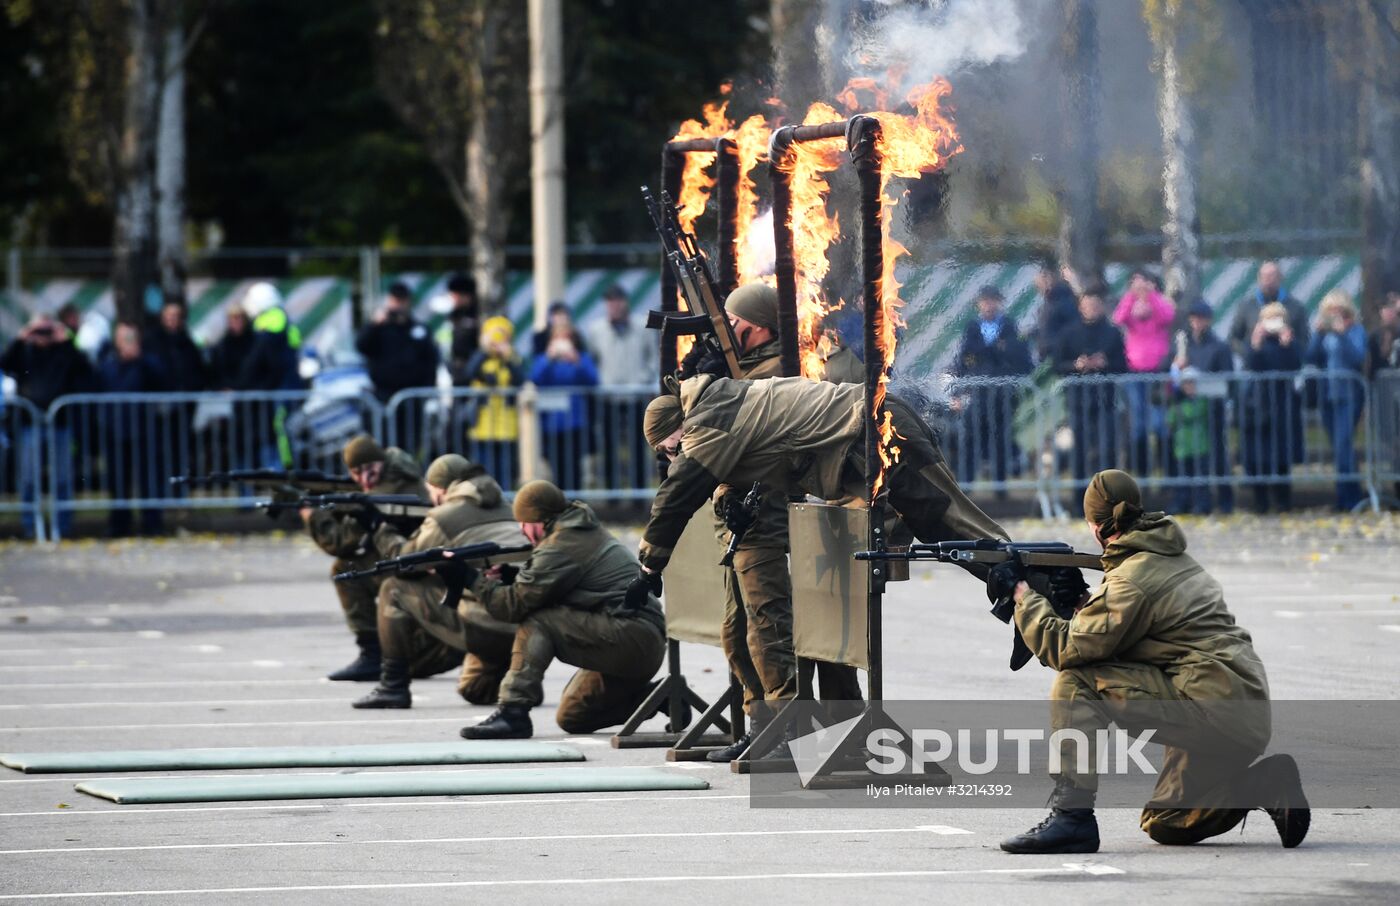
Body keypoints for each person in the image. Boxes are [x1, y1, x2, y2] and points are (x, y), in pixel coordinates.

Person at [1000, 470, 1308, 854]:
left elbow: (1069, 650)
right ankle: (1265, 782)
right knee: (1167, 821)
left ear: (1096, 527)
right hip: (1237, 708)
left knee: (1076, 682)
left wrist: (1022, 595)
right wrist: (1081, 602)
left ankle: (1071, 817)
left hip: (1210, 706)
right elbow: (1131, 633)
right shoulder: (1165, 557)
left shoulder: (1132, 579)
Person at [679, 284, 865, 762]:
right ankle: (764, 725)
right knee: (742, 632)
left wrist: (717, 390)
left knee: (802, 632)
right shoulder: (746, 371)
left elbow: (768, 411)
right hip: (748, 520)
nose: (729, 332)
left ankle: (817, 731)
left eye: (735, 324)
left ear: (758, 326)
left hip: (789, 517)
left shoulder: (785, 368)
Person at [634, 373, 1007, 589]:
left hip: (878, 433)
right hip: (863, 443)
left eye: (673, 448)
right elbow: (754, 454)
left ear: (681, 426)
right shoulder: (717, 408)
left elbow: (678, 492)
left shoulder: (708, 421)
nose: (675, 458)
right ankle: (1029, 604)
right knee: (950, 534)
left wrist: (650, 567)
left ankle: (1042, 593)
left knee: (956, 528)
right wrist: (729, 496)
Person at [459, 480, 669, 738]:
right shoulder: (575, 529)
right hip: (637, 639)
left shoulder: (563, 543)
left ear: (536, 520)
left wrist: (470, 579)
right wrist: (507, 576)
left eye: (523, 524)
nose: (523, 532)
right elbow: (548, 585)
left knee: (539, 622)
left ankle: (513, 712)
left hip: (633, 638)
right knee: (573, 717)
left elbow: (513, 607)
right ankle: (659, 698)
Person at [351, 454, 528, 710]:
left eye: (432, 492)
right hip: (524, 630)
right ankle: (520, 686)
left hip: (485, 625)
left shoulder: (445, 516)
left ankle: (392, 685)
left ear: (442, 489)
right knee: (475, 690)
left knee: (393, 589)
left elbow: (404, 562)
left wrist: (381, 529)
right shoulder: (513, 509)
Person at [303, 434, 429, 682]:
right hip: (410, 557)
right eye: (356, 473)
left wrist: (311, 514)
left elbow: (338, 541)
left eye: (369, 470)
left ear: (381, 462)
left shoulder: (389, 488)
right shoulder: (399, 472)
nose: (364, 480)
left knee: (345, 571)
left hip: (411, 564)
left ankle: (372, 655)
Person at [0, 313, 96, 538]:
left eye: (46, 330)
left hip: (60, 423)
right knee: (29, 480)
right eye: (39, 330)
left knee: (62, 479)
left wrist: (65, 341)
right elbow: (4, 363)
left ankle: (62, 527)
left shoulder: (63, 351)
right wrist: (23, 336)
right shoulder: (24, 351)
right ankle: (30, 527)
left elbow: (84, 369)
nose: (43, 336)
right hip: (29, 423)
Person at [1052, 285, 1128, 514]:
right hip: (1078, 403)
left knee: (1107, 452)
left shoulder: (1113, 333)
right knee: (1079, 454)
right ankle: (1078, 503)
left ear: (1102, 307)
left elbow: (1123, 366)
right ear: (1080, 306)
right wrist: (1076, 366)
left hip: (1105, 401)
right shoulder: (1068, 332)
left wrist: (1105, 365)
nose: (1091, 309)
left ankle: (1108, 501)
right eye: (1087, 305)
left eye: (1095, 305)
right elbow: (1057, 365)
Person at [951, 284, 1033, 490]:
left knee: (1001, 438)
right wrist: (959, 391)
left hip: (1002, 392)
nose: (988, 305)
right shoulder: (972, 327)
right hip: (978, 391)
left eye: (992, 300)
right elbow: (965, 358)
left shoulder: (1008, 325)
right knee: (971, 437)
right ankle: (965, 485)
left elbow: (1016, 355)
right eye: (985, 301)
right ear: (979, 304)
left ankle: (1000, 487)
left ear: (999, 302)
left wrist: (991, 352)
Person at [96, 323, 169, 536]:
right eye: (123, 337)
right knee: (118, 481)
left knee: (148, 480)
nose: (127, 342)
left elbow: (161, 380)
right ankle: (119, 524)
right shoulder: (107, 361)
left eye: (131, 337)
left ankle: (152, 523)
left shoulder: (148, 361)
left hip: (143, 430)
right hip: (115, 431)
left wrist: (140, 359)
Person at [586, 286, 657, 490]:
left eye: (617, 301)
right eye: (610, 301)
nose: (614, 305)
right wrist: (601, 381)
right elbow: (592, 360)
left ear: (625, 302)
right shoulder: (596, 330)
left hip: (636, 396)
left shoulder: (642, 326)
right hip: (608, 397)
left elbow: (652, 357)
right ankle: (612, 493)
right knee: (608, 447)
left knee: (637, 446)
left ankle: (638, 492)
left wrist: (643, 380)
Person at [356, 281, 439, 452]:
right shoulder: (379, 328)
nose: (398, 305)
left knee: (409, 445)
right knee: (382, 445)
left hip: (412, 397)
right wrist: (374, 324)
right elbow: (361, 346)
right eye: (395, 300)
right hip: (382, 396)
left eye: (401, 300)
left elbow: (431, 361)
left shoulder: (419, 329)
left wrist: (428, 391)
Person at [1305, 290, 1368, 511]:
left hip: (1349, 395)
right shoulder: (1325, 334)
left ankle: (1348, 498)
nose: (1334, 315)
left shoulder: (1356, 331)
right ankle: (1350, 495)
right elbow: (1311, 357)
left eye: (1338, 310)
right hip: (1328, 396)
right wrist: (1316, 334)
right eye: (1329, 311)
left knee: (1343, 445)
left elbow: (1358, 358)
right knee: (1341, 448)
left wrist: (1342, 335)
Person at [1170, 300, 1234, 513]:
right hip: (1186, 412)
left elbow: (1227, 380)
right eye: (1194, 318)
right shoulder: (1181, 347)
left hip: (1211, 411)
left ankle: (1224, 501)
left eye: (1201, 318)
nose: (1197, 322)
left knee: (1216, 458)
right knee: (1188, 459)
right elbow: (1166, 374)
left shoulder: (1219, 347)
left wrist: (1200, 384)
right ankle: (1189, 500)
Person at [1241, 302, 1302, 513]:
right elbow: (1251, 363)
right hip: (1259, 404)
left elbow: (1295, 364)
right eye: (1269, 318)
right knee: (1258, 455)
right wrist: (1255, 343)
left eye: (1277, 318)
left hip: (1283, 404)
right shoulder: (1256, 341)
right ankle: (1260, 501)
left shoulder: (1290, 341)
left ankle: (1283, 501)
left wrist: (1287, 344)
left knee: (1282, 456)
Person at [1113, 270, 1175, 474]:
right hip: (1134, 371)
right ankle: (1142, 472)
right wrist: (1131, 296)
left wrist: (1151, 295)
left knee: (1159, 423)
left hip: (1157, 372)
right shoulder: (1130, 306)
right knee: (1138, 425)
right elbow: (1118, 318)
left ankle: (1166, 470)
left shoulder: (1159, 305)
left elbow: (1168, 316)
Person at [529, 311, 599, 491]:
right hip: (551, 423)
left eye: (566, 337)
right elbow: (535, 378)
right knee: (555, 466)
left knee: (574, 466)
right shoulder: (545, 359)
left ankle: (575, 503)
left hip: (574, 422)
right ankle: (559, 503)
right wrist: (548, 358)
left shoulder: (580, 358)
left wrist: (576, 360)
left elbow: (593, 379)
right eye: (559, 337)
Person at [458, 316, 524, 488]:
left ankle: (505, 501)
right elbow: (469, 372)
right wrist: (483, 351)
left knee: (505, 469)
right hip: (482, 423)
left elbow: (519, 379)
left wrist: (507, 357)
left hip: (506, 424)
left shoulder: (512, 358)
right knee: (482, 468)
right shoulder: (480, 358)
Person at [1228, 261, 1310, 358]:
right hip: (1253, 367)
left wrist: (1289, 342)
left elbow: (1305, 340)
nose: (1267, 279)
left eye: (1272, 275)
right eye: (1264, 276)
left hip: (1287, 367)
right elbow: (1233, 339)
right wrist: (1250, 350)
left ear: (1280, 278)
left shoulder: (1295, 307)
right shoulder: (1246, 306)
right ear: (1258, 279)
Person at [1165, 368, 1210, 515]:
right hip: (1182, 448)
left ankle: (1201, 505)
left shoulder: (1203, 401)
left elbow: (1192, 413)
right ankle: (1181, 504)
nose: (1189, 387)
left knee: (1200, 479)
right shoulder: (1177, 403)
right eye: (1186, 383)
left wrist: (1178, 409)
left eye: (1192, 383)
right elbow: (1170, 419)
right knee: (1182, 480)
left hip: (1200, 447)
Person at [1034, 261, 1080, 364]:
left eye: (1038, 283)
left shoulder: (1064, 301)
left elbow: (1071, 329)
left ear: (1048, 278)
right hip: (1050, 357)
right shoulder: (1050, 302)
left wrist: (1052, 346)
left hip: (1062, 359)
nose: (1038, 287)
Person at [442, 273, 482, 381]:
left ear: (467, 296)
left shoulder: (478, 318)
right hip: (453, 373)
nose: (453, 299)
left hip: (473, 375)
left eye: (455, 295)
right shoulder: (451, 317)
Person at [1366, 292, 1400, 377]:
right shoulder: (1374, 336)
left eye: (1392, 307)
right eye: (1386, 308)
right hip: (1382, 383)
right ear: (1381, 312)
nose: (1390, 312)